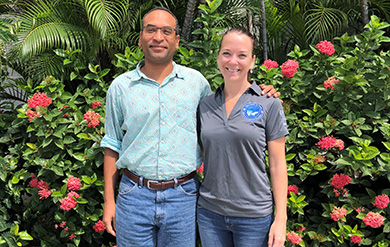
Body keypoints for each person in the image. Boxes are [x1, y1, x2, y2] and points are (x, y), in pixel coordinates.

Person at [101, 7, 279, 247]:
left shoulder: (197, 84)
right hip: (134, 196)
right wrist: (109, 202)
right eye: (151, 30)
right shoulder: (120, 87)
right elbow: (112, 145)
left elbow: (228, 104)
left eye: (166, 31)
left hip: (182, 196)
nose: (158, 37)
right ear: (141, 37)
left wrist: (260, 92)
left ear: (176, 40)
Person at [197, 27, 288, 247]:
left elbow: (277, 164)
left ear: (253, 61)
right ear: (218, 57)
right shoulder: (205, 105)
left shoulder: (269, 103)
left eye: (242, 55)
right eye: (227, 53)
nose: (233, 61)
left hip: (254, 217)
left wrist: (281, 218)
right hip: (210, 214)